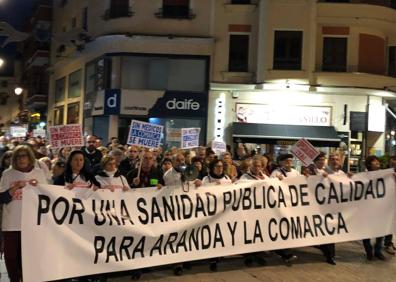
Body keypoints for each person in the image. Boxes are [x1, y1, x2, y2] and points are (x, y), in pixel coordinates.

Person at [0, 145, 48, 281]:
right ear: (14, 159)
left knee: (28, 258)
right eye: (19, 156)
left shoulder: (38, 173)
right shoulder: (7, 174)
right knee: (10, 257)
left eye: (24, 155)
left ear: (30, 158)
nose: (22, 159)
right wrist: (15, 188)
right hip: (11, 223)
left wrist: (38, 187)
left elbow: (47, 197)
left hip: (32, 223)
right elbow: (2, 198)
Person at [306, 152, 336, 265]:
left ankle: (330, 255)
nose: (322, 161)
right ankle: (327, 252)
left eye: (323, 159)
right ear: (315, 161)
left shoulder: (328, 171)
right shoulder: (310, 171)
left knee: (329, 230)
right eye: (319, 160)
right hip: (315, 206)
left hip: (328, 205)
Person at [362, 155, 386, 261]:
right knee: (365, 232)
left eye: (378, 162)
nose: (377, 164)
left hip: (380, 209)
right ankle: (369, 251)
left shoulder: (384, 175)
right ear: (369, 164)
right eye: (375, 162)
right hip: (366, 210)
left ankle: (378, 251)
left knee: (380, 231)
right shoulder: (363, 175)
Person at [384, 155, 396, 255]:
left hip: (393, 201)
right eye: (392, 160)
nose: (394, 162)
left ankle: (388, 242)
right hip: (384, 202)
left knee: (391, 222)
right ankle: (387, 243)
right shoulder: (383, 171)